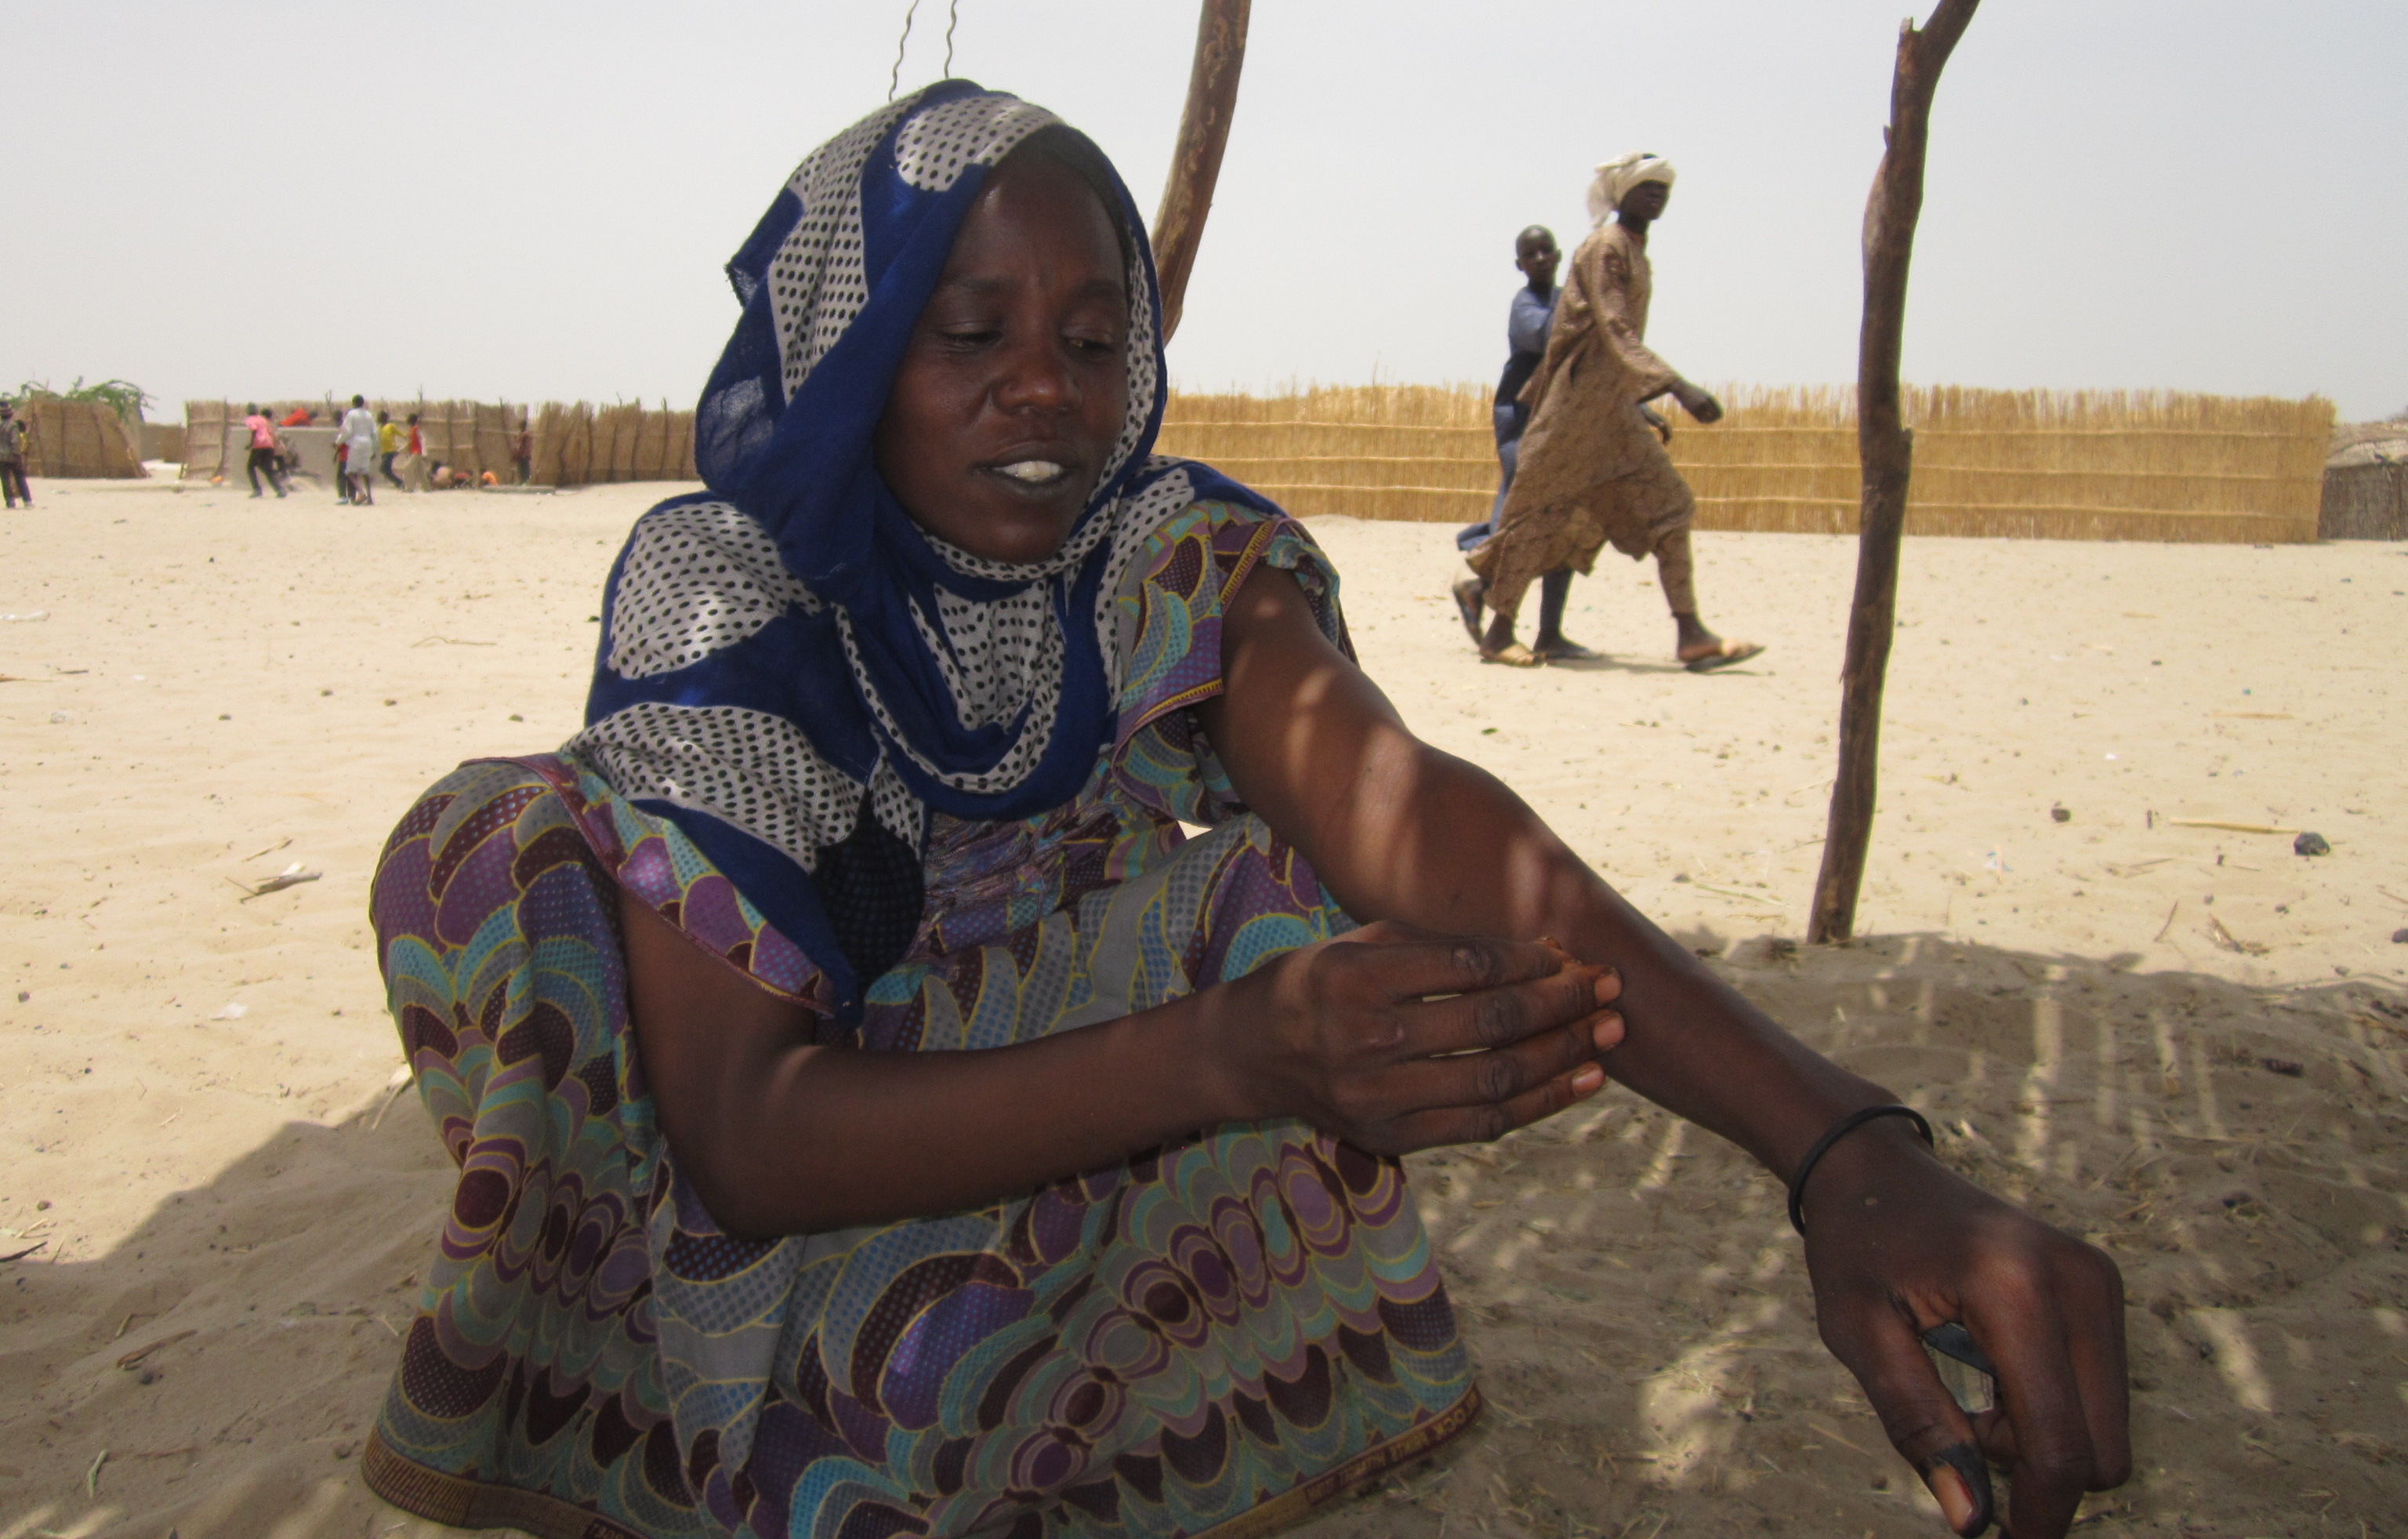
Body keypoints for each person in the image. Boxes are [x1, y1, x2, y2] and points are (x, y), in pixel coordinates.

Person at [363, 86, 2127, 1539]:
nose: (1041, 385)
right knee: (530, 863)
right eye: (966, 333)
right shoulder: (722, 585)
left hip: (1043, 1081)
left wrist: (1839, 1155)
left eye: (1088, 335)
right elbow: (749, 1131)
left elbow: (1407, 812)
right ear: (852, 353)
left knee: (1284, 907)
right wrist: (1239, 1055)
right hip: (751, 1156)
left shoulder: (1167, 554)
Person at [1463, 154, 1764, 671]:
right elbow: (1613, 329)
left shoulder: (1635, 253)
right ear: (1618, 194)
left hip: (1611, 417)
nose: (1657, 194)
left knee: (1670, 507)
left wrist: (1637, 404)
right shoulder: (1604, 249)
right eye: (1646, 186)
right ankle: (1498, 630)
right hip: (1570, 419)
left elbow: (1610, 350)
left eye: (1663, 188)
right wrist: (1677, 387)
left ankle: (1690, 633)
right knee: (1539, 519)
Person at [1452, 226, 1593, 661]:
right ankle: (1480, 588)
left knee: (1566, 522)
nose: (1539, 258)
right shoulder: (1528, 307)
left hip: (1560, 430)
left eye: (1545, 250)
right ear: (1520, 265)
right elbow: (1553, 337)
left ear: (1558, 255)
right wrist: (1586, 302)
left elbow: (1590, 367)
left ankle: (1550, 631)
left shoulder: (1565, 301)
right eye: (1529, 254)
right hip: (1523, 430)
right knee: (1525, 523)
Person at [339, 394, 379, 506]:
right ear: (362, 403)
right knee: (365, 471)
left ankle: (361, 493)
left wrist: (338, 441)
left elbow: (347, 431)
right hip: (368, 444)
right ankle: (370, 497)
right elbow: (374, 433)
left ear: (353, 403)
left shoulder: (351, 414)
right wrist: (375, 448)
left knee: (350, 472)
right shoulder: (369, 415)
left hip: (356, 444)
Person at [242, 403, 286, 499]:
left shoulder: (249, 420)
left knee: (250, 467)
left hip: (258, 445)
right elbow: (270, 432)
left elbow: (254, 430)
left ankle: (257, 490)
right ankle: (280, 489)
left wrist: (251, 443)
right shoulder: (263, 419)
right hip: (269, 445)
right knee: (267, 468)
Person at [0, 400, 31, 509]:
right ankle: (27, 500)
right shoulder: (13, 426)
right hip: (12, 455)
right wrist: (18, 455)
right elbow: (15, 441)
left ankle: (10, 502)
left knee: (5, 480)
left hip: (1, 457)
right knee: (20, 477)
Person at [401, 412, 428, 491]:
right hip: (416, 452)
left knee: (407, 468)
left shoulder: (416, 429)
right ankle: (427, 488)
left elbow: (421, 440)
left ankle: (409, 488)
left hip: (417, 452)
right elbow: (411, 442)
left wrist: (424, 452)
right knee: (421, 471)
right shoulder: (412, 429)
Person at [376, 408, 403, 487]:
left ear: (385, 418)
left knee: (383, 469)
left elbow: (401, 434)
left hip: (390, 451)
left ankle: (399, 482)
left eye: (380, 417)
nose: (378, 419)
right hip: (383, 451)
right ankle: (398, 483)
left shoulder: (391, 426)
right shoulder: (379, 428)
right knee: (386, 469)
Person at [510, 415, 534, 485]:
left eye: (520, 425)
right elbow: (519, 446)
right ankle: (522, 481)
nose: (519, 427)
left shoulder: (525, 435)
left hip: (524, 455)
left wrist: (521, 454)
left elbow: (523, 446)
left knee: (524, 468)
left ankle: (525, 482)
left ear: (523, 426)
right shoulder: (523, 434)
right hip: (522, 454)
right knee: (521, 468)